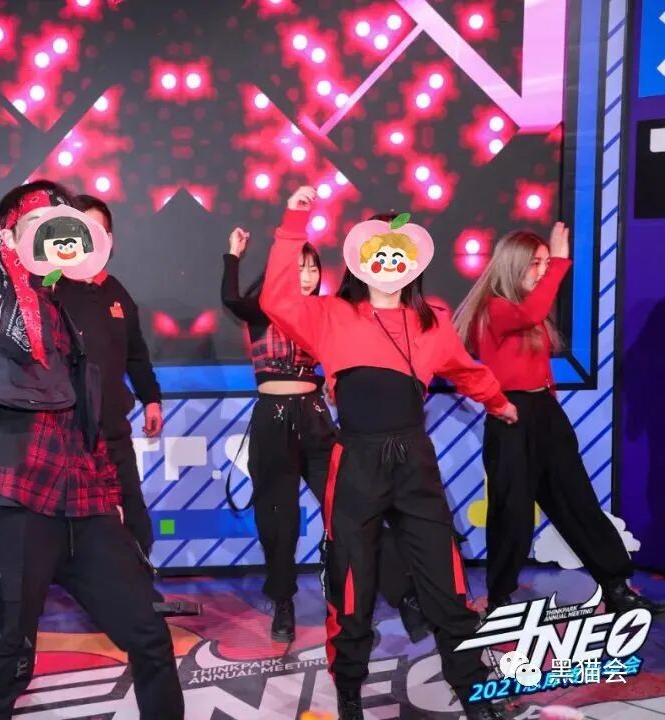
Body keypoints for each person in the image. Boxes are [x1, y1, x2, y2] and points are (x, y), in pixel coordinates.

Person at [0, 145, 184, 719]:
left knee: (149, 633)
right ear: (10, 235)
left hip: (85, 507)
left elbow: (84, 423)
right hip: (13, 501)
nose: (55, 237)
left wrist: (111, 498)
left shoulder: (69, 308)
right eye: (40, 225)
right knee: (7, 658)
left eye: (62, 226)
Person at [260, 186, 516, 720]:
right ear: (359, 258)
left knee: (445, 583)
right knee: (352, 583)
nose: (388, 262)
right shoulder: (330, 315)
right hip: (356, 461)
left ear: (414, 260)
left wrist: (499, 403)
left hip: (415, 463)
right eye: (378, 251)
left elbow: (466, 370)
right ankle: (350, 692)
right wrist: (293, 222)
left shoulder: (432, 319)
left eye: (399, 252)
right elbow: (275, 301)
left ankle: (474, 690)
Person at [221, 223, 426, 644]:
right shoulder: (262, 309)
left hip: (315, 417)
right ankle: (283, 602)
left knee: (354, 510)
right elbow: (230, 300)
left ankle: (402, 596)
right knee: (277, 520)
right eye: (298, 267)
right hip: (272, 419)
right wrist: (233, 257)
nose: (306, 276)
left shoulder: (324, 312)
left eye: (313, 269)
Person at [452, 224, 662, 615]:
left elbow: (535, 359)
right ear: (514, 265)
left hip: (543, 414)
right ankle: (499, 598)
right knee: (512, 512)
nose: (543, 271)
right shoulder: (497, 309)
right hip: (511, 417)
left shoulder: (533, 315)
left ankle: (616, 587)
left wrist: (550, 408)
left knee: (578, 502)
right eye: (537, 263)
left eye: (547, 264)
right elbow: (528, 314)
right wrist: (562, 262)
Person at [53, 194, 162, 555]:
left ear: (109, 240)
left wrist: (152, 399)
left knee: (134, 524)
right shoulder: (50, 288)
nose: (90, 238)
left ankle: (140, 584)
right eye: (81, 230)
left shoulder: (116, 292)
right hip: (64, 437)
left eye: (98, 230)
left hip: (114, 433)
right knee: (58, 532)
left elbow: (136, 354)